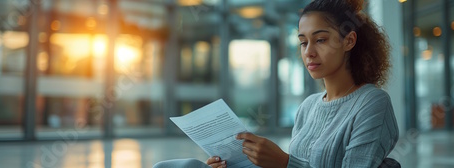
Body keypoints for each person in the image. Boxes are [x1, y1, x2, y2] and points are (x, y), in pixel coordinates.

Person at [154, 0, 399, 167]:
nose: (309, 52)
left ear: (349, 41)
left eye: (321, 40)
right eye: (303, 43)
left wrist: (284, 162)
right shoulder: (309, 106)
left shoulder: (372, 103)